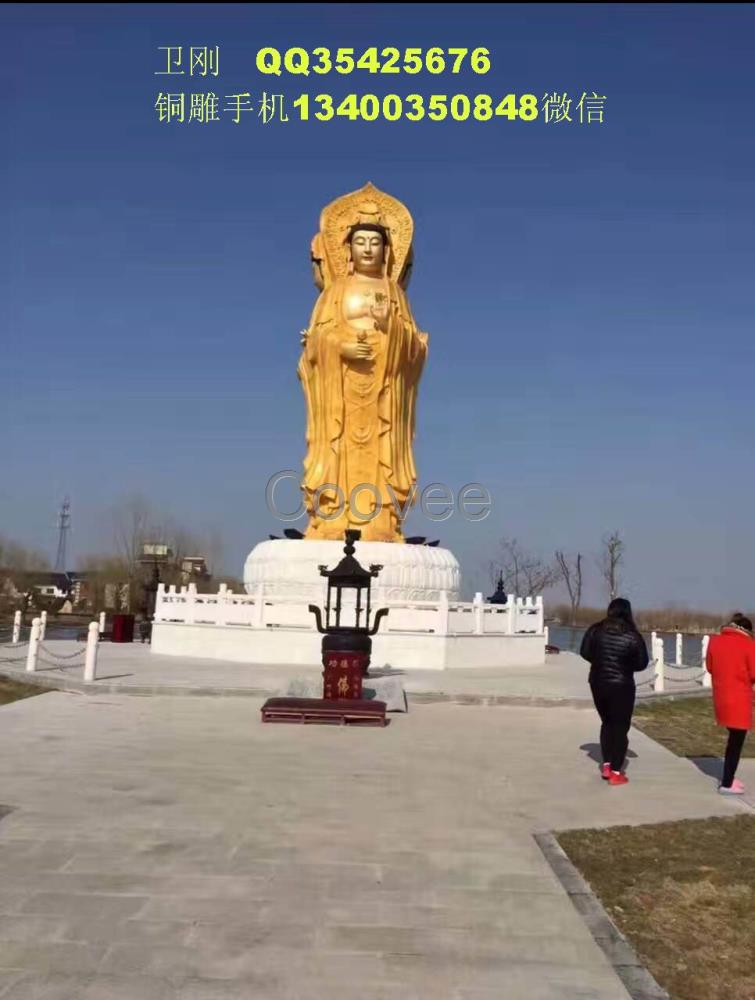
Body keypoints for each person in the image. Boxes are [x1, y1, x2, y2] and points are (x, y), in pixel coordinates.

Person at [580, 598, 649, 786]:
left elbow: (584, 652)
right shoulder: (633, 635)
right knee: (620, 727)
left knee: (607, 723)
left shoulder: (595, 629)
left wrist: (600, 661)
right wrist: (625, 666)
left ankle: (607, 765)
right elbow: (642, 663)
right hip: (622, 685)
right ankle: (617, 772)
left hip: (597, 682)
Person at [705, 613, 755, 795]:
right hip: (739, 699)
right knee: (736, 742)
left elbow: (710, 667)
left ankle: (729, 777)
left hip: (721, 696)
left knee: (733, 739)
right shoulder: (749, 645)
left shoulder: (715, 641)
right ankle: (727, 783)